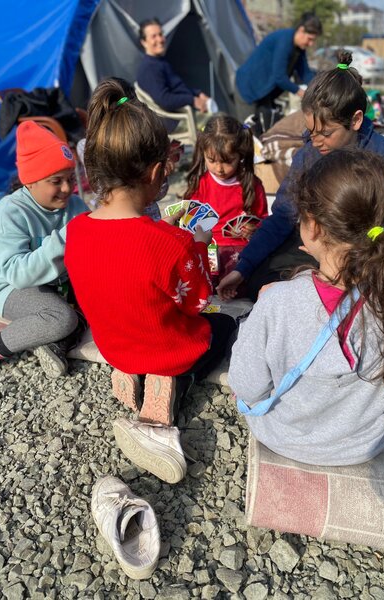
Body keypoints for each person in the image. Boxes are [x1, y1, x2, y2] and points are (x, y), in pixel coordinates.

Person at [65, 78, 237, 484]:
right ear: (159, 171)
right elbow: (198, 301)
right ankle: (175, 382)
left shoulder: (75, 231)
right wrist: (199, 247)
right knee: (224, 324)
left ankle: (130, 373)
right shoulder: (171, 244)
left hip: (114, 346)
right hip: (166, 350)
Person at [228, 148, 384, 466]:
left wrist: (261, 313)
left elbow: (247, 385)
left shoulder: (278, 302)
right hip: (365, 444)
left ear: (312, 226)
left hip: (286, 438)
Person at [218, 50, 384, 302]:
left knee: (370, 296)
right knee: (261, 283)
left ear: (355, 120)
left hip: (364, 250)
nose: (316, 141)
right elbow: (283, 216)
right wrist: (242, 267)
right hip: (315, 246)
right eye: (311, 131)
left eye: (326, 133)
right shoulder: (309, 154)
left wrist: (355, 249)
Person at [0, 121, 88, 377]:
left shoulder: (75, 206)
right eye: (56, 181)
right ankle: (0, 345)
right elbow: (17, 275)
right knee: (61, 318)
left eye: (70, 179)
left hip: (58, 284)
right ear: (30, 182)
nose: (67, 188)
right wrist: (65, 239)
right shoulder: (11, 212)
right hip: (10, 288)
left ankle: (54, 342)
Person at [183, 114, 268, 287]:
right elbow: (189, 224)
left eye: (228, 161)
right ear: (203, 154)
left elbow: (263, 219)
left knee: (245, 270)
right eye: (211, 160)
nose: (219, 168)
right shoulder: (201, 185)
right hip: (208, 246)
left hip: (240, 248)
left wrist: (253, 229)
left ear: (240, 154)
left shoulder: (252, 185)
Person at [234, 13, 322, 128]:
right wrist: (301, 92)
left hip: (264, 93)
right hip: (248, 88)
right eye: (310, 39)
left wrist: (318, 90)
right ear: (301, 30)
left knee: (266, 127)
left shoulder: (299, 49)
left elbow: (305, 74)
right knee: (248, 130)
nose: (311, 44)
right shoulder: (284, 41)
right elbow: (279, 77)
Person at [137, 18, 210, 117]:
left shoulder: (159, 62)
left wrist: (198, 93)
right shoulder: (149, 68)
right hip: (178, 120)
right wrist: (192, 100)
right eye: (153, 36)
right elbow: (165, 100)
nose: (160, 40)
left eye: (161, 34)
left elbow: (177, 88)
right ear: (144, 42)